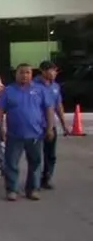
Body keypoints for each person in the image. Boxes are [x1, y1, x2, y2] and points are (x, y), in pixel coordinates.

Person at [0, 63, 55, 201]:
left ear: (32, 74)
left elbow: (49, 109)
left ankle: (33, 189)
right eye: (21, 72)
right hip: (14, 134)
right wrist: (1, 128)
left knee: (35, 162)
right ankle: (12, 190)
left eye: (27, 72)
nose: (24, 75)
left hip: (35, 134)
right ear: (16, 74)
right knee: (11, 162)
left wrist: (50, 128)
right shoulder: (8, 91)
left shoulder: (40, 90)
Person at [35, 61, 69, 190]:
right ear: (43, 71)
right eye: (52, 70)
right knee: (36, 155)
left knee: (50, 154)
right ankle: (35, 180)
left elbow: (58, 106)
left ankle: (47, 177)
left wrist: (64, 124)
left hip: (50, 125)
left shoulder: (55, 87)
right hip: (37, 125)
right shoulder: (34, 86)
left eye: (55, 71)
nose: (54, 73)